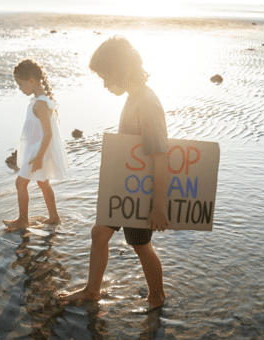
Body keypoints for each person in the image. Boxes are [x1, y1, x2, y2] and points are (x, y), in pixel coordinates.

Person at [58, 36, 169, 312]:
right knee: (99, 234)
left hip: (140, 193)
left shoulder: (146, 101)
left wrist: (159, 207)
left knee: (141, 246)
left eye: (106, 76)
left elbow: (160, 156)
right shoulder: (134, 97)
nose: (104, 84)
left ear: (124, 70)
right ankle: (92, 291)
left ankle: (157, 297)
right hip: (124, 189)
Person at [3, 58, 69, 234]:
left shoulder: (40, 104)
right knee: (43, 183)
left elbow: (48, 134)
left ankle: (23, 220)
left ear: (31, 81)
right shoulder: (41, 101)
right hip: (39, 150)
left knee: (20, 183)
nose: (19, 88)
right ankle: (54, 217)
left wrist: (39, 157)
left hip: (37, 152)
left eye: (20, 84)